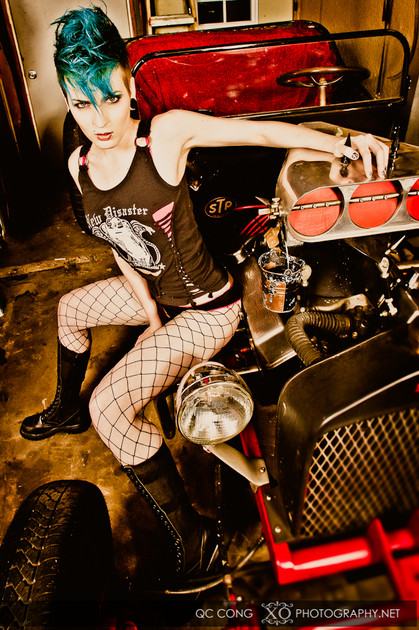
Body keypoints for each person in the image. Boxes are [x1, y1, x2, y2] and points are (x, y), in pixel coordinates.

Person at [19, 6, 389, 579]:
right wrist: (149, 315)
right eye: (82, 104)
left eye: (111, 97)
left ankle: (197, 545)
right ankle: (65, 409)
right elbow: (120, 243)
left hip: (208, 308)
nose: (101, 120)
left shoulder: (164, 137)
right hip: (159, 295)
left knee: (110, 410)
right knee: (69, 309)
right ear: (68, 101)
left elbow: (261, 131)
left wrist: (344, 143)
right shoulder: (79, 164)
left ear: (130, 86)